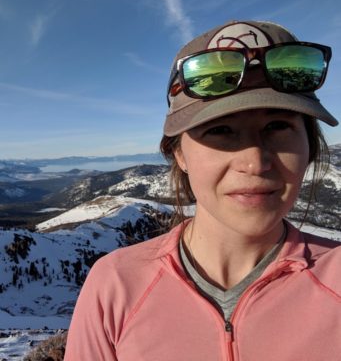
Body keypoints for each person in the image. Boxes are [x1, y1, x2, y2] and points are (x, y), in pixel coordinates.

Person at [64, 20, 341, 361]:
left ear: (309, 146)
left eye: (278, 126)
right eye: (221, 130)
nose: (255, 161)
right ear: (178, 153)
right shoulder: (115, 286)